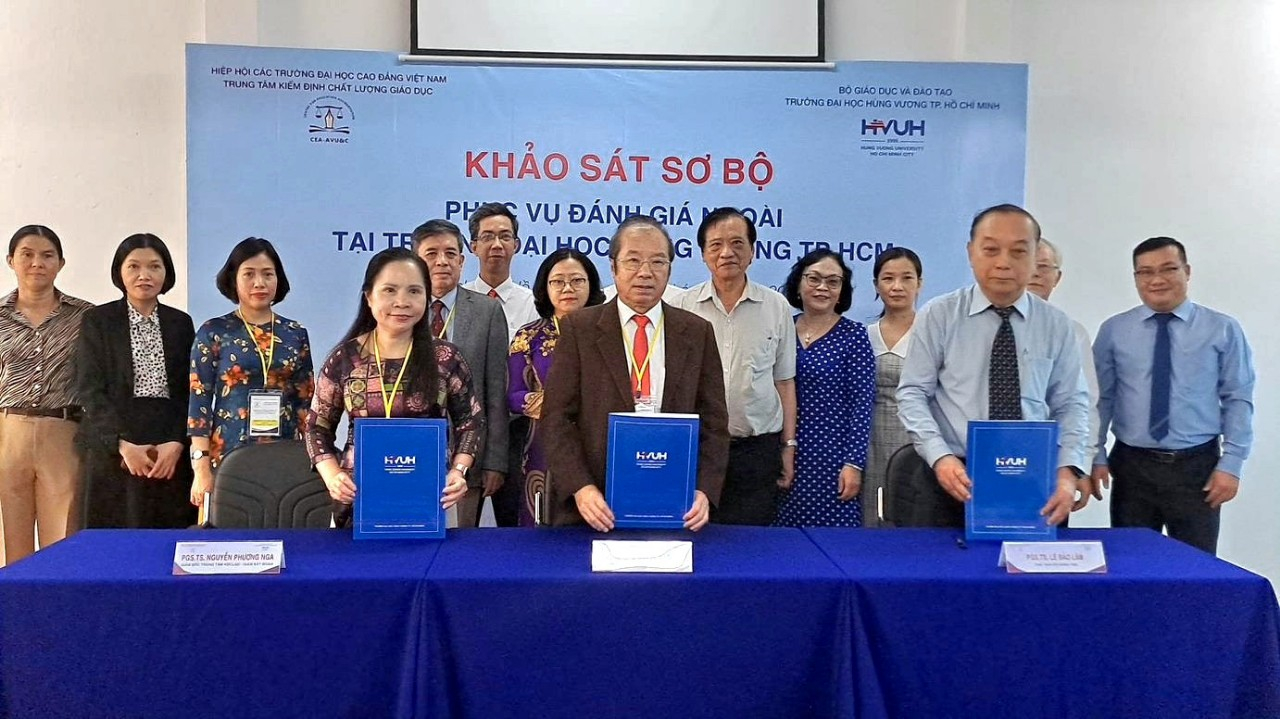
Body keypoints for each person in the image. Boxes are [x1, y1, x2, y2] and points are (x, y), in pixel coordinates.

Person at [896, 204, 1091, 527]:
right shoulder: (940, 315)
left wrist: (1068, 470)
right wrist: (940, 457)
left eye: (1018, 251)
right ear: (971, 252)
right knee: (945, 574)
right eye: (990, 250)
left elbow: (1072, 403)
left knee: (1028, 576)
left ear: (1035, 257)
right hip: (954, 477)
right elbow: (913, 393)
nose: (1003, 262)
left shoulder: (1057, 325)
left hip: (1034, 478)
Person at [542, 215, 729, 531]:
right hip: (595, 505)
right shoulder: (580, 329)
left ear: (670, 269)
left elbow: (714, 422)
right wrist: (581, 488)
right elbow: (556, 419)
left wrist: (704, 491)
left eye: (658, 262)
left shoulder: (697, 332)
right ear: (613, 267)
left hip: (676, 501)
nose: (645, 272)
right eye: (633, 261)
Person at [1091, 237, 1254, 554]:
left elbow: (1238, 398)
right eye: (1145, 272)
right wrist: (1094, 454)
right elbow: (1101, 399)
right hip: (1132, 466)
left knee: (1196, 569)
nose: (1157, 280)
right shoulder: (1114, 331)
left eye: (1168, 269)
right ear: (1135, 277)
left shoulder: (1222, 329)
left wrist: (1231, 464)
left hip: (1197, 468)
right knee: (1130, 563)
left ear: (1187, 271)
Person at [306, 248, 479, 526]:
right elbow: (317, 427)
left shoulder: (446, 358)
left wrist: (459, 471)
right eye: (389, 290)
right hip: (357, 499)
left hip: (431, 498)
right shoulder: (345, 359)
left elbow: (469, 422)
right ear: (369, 297)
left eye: (414, 291)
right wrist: (332, 475)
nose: (402, 302)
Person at [673, 207, 797, 526]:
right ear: (702, 254)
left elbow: (784, 381)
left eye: (737, 243)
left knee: (752, 545)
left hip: (756, 450)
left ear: (753, 251)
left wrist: (788, 446)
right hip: (698, 450)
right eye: (715, 245)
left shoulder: (776, 306)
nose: (727, 252)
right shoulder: (683, 307)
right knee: (699, 538)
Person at [76, 234, 196, 529]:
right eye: (134, 267)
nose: (145, 275)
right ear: (120, 272)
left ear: (166, 273)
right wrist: (121, 444)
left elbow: (190, 390)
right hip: (116, 442)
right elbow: (89, 388)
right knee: (117, 538)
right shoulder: (98, 321)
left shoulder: (180, 323)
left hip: (168, 443)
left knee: (168, 535)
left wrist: (177, 442)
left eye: (155, 266)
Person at [187, 237, 314, 510]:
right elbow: (199, 403)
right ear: (233, 279)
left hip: (284, 453)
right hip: (228, 452)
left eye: (268, 274)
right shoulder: (214, 331)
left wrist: (313, 460)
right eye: (249, 274)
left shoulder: (295, 333)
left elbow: (305, 401)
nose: (260, 283)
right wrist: (200, 467)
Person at [0, 225, 92, 565]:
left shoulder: (85, 316)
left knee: (62, 542)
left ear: (61, 263)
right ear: (11, 260)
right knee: (11, 540)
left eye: (47, 256)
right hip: (9, 432)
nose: (37, 263)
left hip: (63, 430)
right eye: (27, 254)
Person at [412, 219, 508, 527]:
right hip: (409, 452)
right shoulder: (400, 309)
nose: (442, 261)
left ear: (462, 260)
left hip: (468, 460)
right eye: (431, 253)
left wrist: (494, 461)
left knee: (461, 549)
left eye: (450, 253)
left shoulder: (487, 311)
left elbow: (495, 391)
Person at [774, 250, 875, 527]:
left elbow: (862, 404)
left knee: (832, 546)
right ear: (798, 282)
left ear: (842, 291)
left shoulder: (854, 336)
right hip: (783, 454)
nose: (822, 287)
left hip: (832, 459)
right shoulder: (783, 328)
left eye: (833, 282)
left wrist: (853, 463)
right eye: (814, 278)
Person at [507, 249, 606, 525]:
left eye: (577, 280)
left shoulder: (608, 333)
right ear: (544, 287)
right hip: (544, 444)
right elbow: (513, 395)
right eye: (557, 281)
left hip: (598, 443)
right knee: (542, 532)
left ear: (591, 285)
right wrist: (555, 405)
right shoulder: (529, 336)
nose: (568, 288)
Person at [462, 202, 539, 527]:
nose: (497, 245)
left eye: (505, 236)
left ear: (517, 245)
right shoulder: (458, 303)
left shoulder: (535, 304)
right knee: (459, 529)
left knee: (514, 529)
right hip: (466, 430)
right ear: (473, 245)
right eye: (488, 236)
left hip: (518, 430)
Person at [1027, 237, 1100, 475]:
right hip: (984, 453)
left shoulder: (1073, 333)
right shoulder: (984, 326)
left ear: (1057, 278)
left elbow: (1085, 404)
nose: (1036, 273)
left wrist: (1080, 465)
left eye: (1044, 267)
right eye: (1030, 264)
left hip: (1051, 459)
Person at [862, 247, 923, 527]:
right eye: (888, 278)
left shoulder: (932, 334)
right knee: (871, 517)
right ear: (876, 285)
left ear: (919, 284)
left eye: (907, 278)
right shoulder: (863, 334)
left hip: (918, 441)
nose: (897, 286)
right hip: (870, 441)